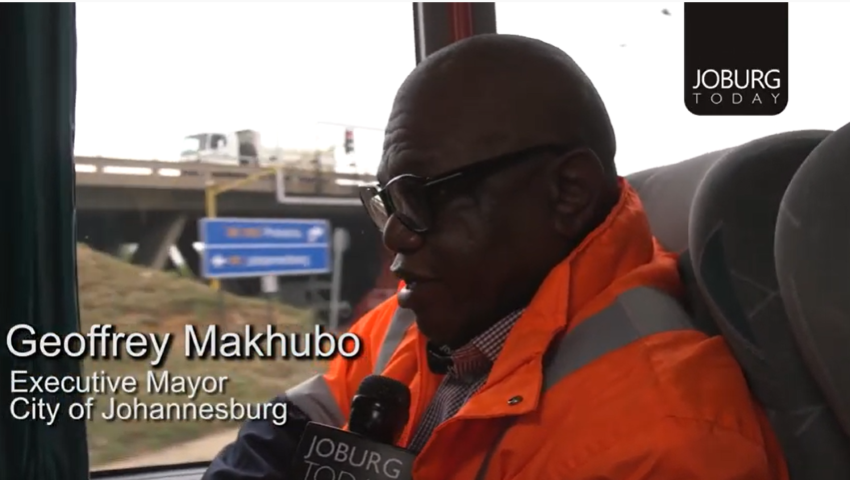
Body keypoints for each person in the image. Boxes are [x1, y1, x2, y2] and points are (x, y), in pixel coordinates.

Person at [203, 34, 788, 480]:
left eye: (423, 196)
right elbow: (283, 429)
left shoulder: (660, 445)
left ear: (568, 193)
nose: (396, 237)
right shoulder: (418, 320)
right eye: (389, 203)